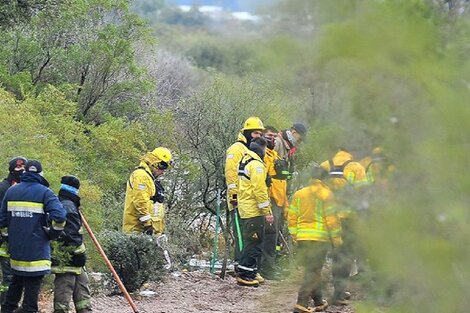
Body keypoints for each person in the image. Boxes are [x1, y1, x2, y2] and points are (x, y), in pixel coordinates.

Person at [0, 160, 66, 313]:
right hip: (37, 255)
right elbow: (60, 216)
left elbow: (2, 220)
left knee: (14, 290)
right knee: (30, 301)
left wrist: (9, 237)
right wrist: (52, 233)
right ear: (40, 174)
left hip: (17, 253)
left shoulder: (11, 191)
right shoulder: (45, 192)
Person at [288, 166, 342, 313]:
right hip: (319, 239)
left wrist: (295, 236)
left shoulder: (299, 194)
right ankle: (301, 303)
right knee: (313, 270)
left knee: (313, 269)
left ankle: (318, 301)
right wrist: (336, 240)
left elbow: (292, 218)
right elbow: (332, 220)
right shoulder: (327, 194)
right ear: (324, 179)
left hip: (302, 239)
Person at [320, 148, 368, 305]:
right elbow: (363, 193)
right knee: (345, 255)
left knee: (323, 255)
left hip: (326, 218)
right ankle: (338, 293)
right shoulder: (356, 167)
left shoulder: (325, 165)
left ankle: (317, 294)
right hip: (348, 219)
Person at [224, 117, 264, 263]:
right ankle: (240, 265)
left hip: (249, 202)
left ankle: (248, 266)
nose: (258, 136)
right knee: (241, 236)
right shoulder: (236, 149)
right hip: (238, 201)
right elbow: (231, 175)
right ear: (246, 132)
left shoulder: (250, 149)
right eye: (255, 133)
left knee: (251, 237)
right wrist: (234, 197)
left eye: (260, 134)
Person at [236, 137, 273, 286]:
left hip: (246, 208)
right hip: (254, 210)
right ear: (261, 149)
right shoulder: (257, 165)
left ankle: (250, 271)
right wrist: (267, 211)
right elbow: (260, 190)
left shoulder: (245, 161)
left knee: (251, 241)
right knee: (254, 242)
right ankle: (245, 275)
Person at [51, 176, 92, 313]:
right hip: (67, 259)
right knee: (63, 297)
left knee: (83, 294)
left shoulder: (66, 204)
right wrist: (80, 254)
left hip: (74, 261)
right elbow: (71, 236)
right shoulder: (68, 207)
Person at [122, 147, 172, 234]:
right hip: (137, 231)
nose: (163, 171)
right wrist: (148, 225)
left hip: (145, 231)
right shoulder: (142, 176)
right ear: (154, 162)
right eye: (162, 166)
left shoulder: (149, 178)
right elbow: (141, 202)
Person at [0, 157, 27, 305]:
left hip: (20, 242)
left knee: (18, 276)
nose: (21, 169)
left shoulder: (25, 187)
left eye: (24, 166)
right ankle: (5, 305)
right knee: (9, 277)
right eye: (18, 167)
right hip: (4, 243)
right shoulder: (3, 188)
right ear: (11, 169)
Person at [260, 126, 284, 279]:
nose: (273, 139)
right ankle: (266, 268)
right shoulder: (263, 156)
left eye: (274, 136)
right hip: (270, 198)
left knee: (274, 235)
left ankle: (271, 264)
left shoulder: (275, 155)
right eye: (269, 136)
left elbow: (281, 181)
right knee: (268, 233)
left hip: (279, 199)